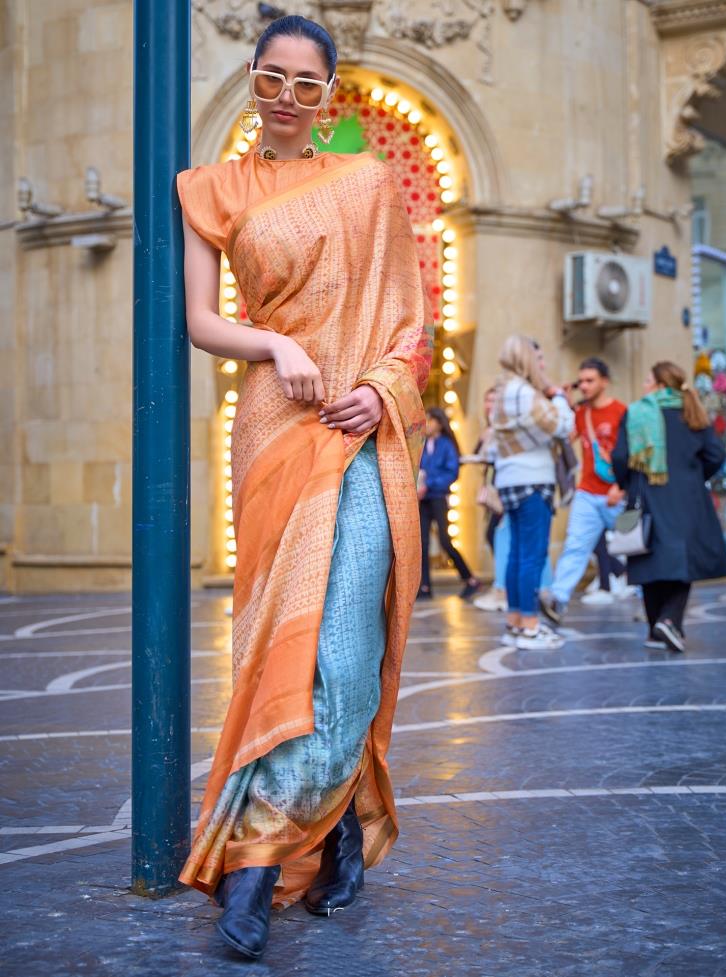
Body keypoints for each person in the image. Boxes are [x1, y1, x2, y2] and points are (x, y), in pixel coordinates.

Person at [175, 16, 432, 959]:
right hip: (275, 426)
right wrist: (277, 341)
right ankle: (277, 862)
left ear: (331, 95)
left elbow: (411, 324)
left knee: (347, 638)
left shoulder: (366, 183)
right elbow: (204, 320)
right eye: (271, 79)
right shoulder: (212, 190)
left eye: (307, 85)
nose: (287, 98)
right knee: (281, 647)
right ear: (252, 79)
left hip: (362, 432)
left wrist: (377, 391)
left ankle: (310, 840)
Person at [612, 361, 726, 652]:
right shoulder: (692, 413)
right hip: (688, 497)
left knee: (648, 557)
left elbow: (619, 456)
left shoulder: (636, 412)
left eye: (648, 381)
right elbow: (716, 454)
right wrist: (693, 475)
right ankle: (669, 621)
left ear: (661, 385)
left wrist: (628, 482)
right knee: (683, 560)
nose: (644, 387)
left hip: (646, 494)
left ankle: (658, 627)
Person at [490, 335, 574, 649]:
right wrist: (559, 397)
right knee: (533, 555)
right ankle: (529, 626)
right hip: (532, 480)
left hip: (510, 480)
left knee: (516, 555)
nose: (542, 365)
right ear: (525, 359)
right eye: (537, 359)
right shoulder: (525, 393)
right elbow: (562, 425)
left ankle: (514, 623)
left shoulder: (502, 392)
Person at [539, 357, 626, 625]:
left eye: (590, 381)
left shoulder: (621, 411)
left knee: (637, 549)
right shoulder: (581, 412)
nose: (585, 386)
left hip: (617, 494)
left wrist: (621, 487)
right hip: (587, 493)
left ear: (605, 382)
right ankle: (558, 600)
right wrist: (563, 400)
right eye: (582, 381)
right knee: (575, 545)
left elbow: (633, 453)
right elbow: (564, 439)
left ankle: (657, 603)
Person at [418, 407, 480, 600]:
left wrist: (429, 483)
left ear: (439, 423)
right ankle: (425, 586)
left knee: (445, 540)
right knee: (422, 543)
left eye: (430, 420)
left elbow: (451, 472)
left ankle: (469, 578)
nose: (427, 424)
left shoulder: (446, 445)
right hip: (422, 499)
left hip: (437, 497)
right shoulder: (422, 443)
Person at [473, 387, 508, 612]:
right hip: (495, 488)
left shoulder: (502, 429)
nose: (489, 405)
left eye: (494, 401)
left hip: (505, 489)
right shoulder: (488, 430)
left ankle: (503, 589)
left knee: (499, 535)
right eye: (487, 400)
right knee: (496, 535)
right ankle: (502, 586)